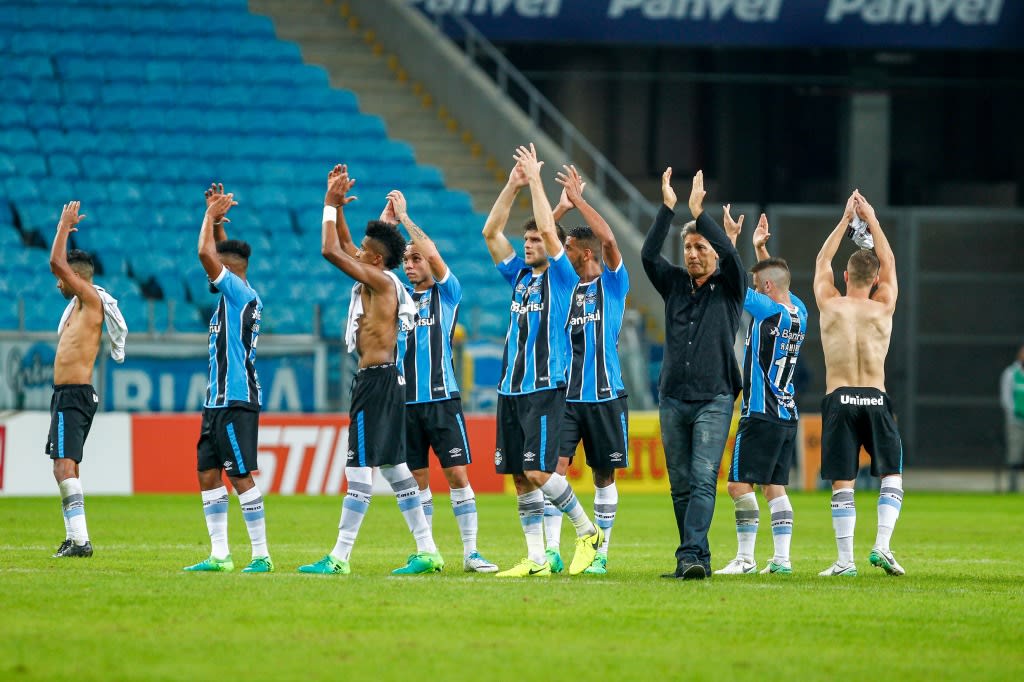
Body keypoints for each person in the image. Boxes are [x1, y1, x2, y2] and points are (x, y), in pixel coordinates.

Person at [299, 165, 443, 576]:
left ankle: (340, 558)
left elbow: (331, 250)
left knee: (358, 469)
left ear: (375, 260)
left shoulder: (379, 282)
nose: (355, 251)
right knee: (396, 468)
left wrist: (328, 204)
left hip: (376, 382)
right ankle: (428, 550)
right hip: (385, 380)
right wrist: (347, 208)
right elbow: (348, 243)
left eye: (363, 250)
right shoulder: (381, 277)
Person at [481, 144, 603, 578]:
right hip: (509, 388)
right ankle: (536, 558)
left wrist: (535, 178)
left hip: (545, 387)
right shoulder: (518, 276)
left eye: (536, 240)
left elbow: (552, 234)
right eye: (527, 239)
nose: (529, 244)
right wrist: (513, 186)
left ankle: (587, 532)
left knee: (536, 471)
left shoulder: (563, 276)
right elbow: (491, 233)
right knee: (518, 476)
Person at [641, 169, 745, 580]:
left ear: (713, 253)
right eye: (687, 247)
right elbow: (649, 255)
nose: (692, 254)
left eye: (699, 247)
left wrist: (701, 215)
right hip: (673, 396)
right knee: (680, 483)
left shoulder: (730, 285)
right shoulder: (674, 284)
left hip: (715, 397)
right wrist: (668, 208)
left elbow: (733, 256)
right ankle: (693, 557)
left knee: (703, 477)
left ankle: (690, 554)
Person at [390, 189, 499, 573]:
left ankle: (470, 552)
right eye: (406, 260)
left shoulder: (447, 293)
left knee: (455, 474)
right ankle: (427, 552)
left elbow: (433, 253)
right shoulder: (398, 298)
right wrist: (389, 223)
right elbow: (373, 264)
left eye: (415, 259)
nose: (410, 265)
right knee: (417, 480)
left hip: (442, 399)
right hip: (406, 402)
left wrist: (405, 218)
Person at [539, 165, 628, 576]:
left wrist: (578, 202)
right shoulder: (564, 287)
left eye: (570, 249)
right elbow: (543, 242)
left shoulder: (613, 283)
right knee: (553, 469)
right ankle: (555, 550)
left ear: (585, 252)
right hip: (567, 397)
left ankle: (600, 553)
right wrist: (557, 210)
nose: (564, 253)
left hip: (606, 394)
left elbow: (609, 238)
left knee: (603, 475)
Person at [814, 190, 905, 577]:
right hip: (875, 396)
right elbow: (890, 260)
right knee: (892, 474)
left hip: (840, 398)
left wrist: (845, 219)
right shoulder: (883, 306)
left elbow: (822, 262)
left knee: (842, 481)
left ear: (846, 276)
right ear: (876, 280)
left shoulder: (830, 304)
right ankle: (882, 545)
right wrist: (872, 219)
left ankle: (845, 561)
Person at [184, 184, 272, 573]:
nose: (209, 273)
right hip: (215, 401)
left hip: (237, 398)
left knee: (239, 475)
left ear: (229, 272)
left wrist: (206, 220)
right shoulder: (234, 293)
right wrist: (218, 221)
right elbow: (220, 252)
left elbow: (207, 254)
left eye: (217, 269)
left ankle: (261, 555)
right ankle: (220, 555)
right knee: (207, 473)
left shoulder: (239, 294)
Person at [715, 212, 807, 576]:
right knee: (775, 486)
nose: (754, 288)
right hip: (787, 414)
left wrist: (731, 239)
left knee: (738, 484)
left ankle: (745, 559)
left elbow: (730, 277)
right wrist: (760, 248)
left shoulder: (767, 311)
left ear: (766, 289)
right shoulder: (798, 311)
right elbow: (775, 277)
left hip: (760, 412)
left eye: (759, 284)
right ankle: (782, 560)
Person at [47, 201, 127, 558]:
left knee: (63, 466)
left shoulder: (89, 299)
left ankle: (80, 541)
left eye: (63, 279)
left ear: (75, 277)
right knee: (67, 467)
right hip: (67, 394)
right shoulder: (76, 308)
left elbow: (55, 262)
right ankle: (74, 537)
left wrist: (63, 226)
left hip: (74, 394)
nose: (57, 282)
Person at [1000, 344, 1024, 492]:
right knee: (1014, 455)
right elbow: (1006, 397)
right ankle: (1013, 488)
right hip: (1015, 421)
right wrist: (1013, 413)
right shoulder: (1011, 373)